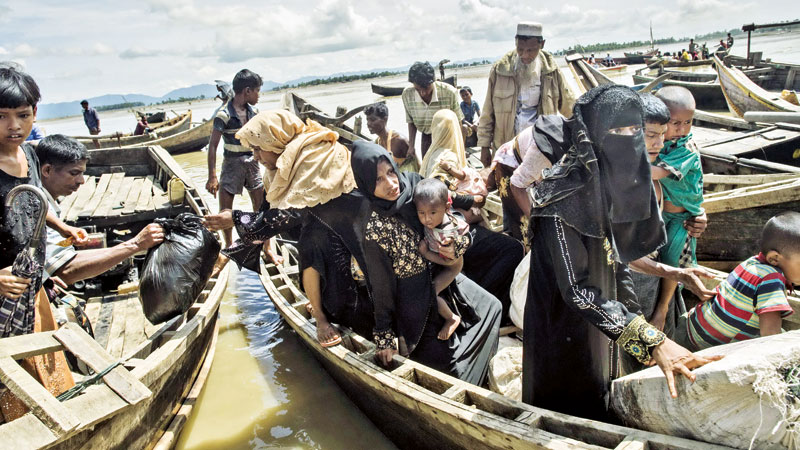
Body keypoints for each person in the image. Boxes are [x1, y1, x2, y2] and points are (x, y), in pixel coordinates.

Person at [513, 85, 720, 419]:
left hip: (604, 313)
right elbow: (576, 291)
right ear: (594, 134)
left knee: (602, 379)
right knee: (567, 395)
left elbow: (617, 257)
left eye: (635, 130)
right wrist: (653, 341)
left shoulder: (608, 182)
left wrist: (646, 329)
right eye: (619, 131)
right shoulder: (559, 199)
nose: (631, 140)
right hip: (563, 320)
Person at [204, 110, 367, 346]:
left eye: (258, 149)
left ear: (275, 140)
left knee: (310, 240)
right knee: (307, 235)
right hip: (324, 226)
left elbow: (294, 214)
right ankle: (320, 308)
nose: (255, 157)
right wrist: (230, 252)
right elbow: (267, 212)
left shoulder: (313, 154)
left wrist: (236, 218)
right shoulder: (282, 166)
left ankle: (320, 317)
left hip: (351, 230)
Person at [352, 141, 501, 384]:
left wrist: (456, 246)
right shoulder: (374, 227)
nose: (391, 183)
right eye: (378, 179)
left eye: (390, 172)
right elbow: (381, 285)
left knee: (492, 307)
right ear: (366, 183)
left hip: (441, 276)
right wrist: (384, 335)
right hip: (413, 301)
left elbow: (450, 213)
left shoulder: (414, 186)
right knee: (449, 372)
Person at [0, 65, 78, 421]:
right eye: (1, 117)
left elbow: (32, 202)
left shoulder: (29, 155)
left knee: (45, 362)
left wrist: (61, 226)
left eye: (22, 115)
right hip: (4, 291)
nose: (13, 126)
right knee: (13, 385)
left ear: (35, 112)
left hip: (30, 286)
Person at [36, 135, 165, 286]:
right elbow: (65, 271)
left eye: (82, 173)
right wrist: (136, 244)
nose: (81, 181)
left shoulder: (44, 201)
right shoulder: (38, 206)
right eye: (74, 173)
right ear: (47, 170)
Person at [676, 213, 798, 350]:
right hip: (703, 347)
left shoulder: (752, 263)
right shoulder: (772, 279)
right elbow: (770, 335)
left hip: (687, 329)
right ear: (774, 258)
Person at [477, 21, 575, 168]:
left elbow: (570, 106)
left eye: (530, 50)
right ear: (515, 43)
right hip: (506, 149)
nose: (524, 55)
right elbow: (487, 112)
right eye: (520, 49)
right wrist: (484, 147)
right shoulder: (500, 70)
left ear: (542, 45)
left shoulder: (551, 70)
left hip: (539, 148)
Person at [651, 86, 704, 336]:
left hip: (681, 219)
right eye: (675, 123)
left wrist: (618, 162)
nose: (682, 129)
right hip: (663, 215)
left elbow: (655, 172)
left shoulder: (685, 148)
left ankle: (662, 310)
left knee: (672, 262)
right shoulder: (660, 140)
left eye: (688, 122)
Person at [205, 69, 265, 247]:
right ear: (247, 91)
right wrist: (212, 176)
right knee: (225, 208)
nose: (259, 95)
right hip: (231, 164)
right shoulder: (224, 115)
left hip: (252, 162)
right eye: (257, 91)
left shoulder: (254, 113)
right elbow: (213, 146)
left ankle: (264, 244)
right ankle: (229, 245)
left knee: (261, 206)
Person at [414, 178, 470, 340]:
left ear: (446, 208)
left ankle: (451, 318)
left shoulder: (446, 234)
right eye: (421, 213)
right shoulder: (435, 220)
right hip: (439, 260)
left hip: (451, 266)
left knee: (432, 292)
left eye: (432, 213)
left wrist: (426, 253)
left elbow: (449, 261)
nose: (427, 219)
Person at [420, 109, 488, 223]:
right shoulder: (449, 156)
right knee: (481, 216)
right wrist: (471, 200)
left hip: (428, 206)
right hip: (442, 211)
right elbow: (439, 192)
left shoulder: (431, 153)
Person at [402, 61, 463, 160]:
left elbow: (458, 122)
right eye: (418, 89)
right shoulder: (407, 94)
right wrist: (411, 146)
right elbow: (411, 122)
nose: (423, 93)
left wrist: (460, 149)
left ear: (433, 81)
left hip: (448, 138)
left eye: (426, 88)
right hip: (426, 137)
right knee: (428, 167)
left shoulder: (449, 92)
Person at [365, 103, 418, 173]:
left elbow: (417, 165)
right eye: (367, 120)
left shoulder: (398, 140)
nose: (368, 124)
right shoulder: (377, 143)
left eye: (372, 120)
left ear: (385, 119)